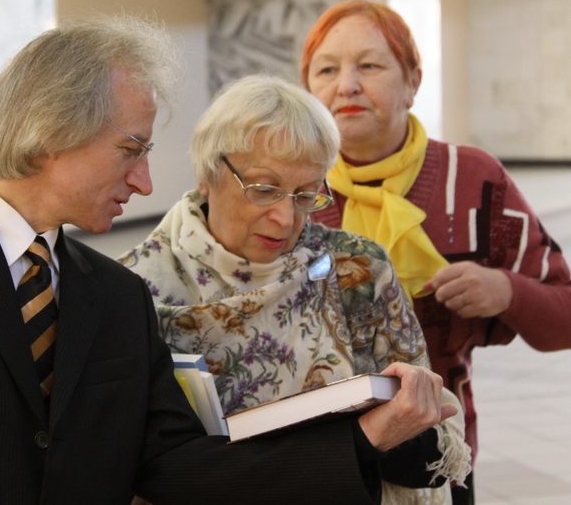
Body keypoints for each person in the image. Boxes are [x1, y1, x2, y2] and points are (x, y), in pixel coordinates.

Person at [0, 15, 455, 505]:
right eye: (131, 149)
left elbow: (176, 466)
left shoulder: (113, 293)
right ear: (51, 129)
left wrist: (364, 441)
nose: (146, 183)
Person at [119, 74, 471, 504]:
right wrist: (359, 438)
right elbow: (142, 468)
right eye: (264, 190)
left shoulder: (358, 269)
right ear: (207, 173)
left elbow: (430, 446)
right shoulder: (134, 290)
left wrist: (409, 409)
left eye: (306, 195)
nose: (285, 219)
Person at [299, 0, 571, 504]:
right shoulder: (288, 188)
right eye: (327, 70)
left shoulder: (473, 179)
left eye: (370, 66)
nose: (347, 85)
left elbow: (565, 317)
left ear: (413, 82)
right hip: (311, 458)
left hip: (435, 455)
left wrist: (508, 290)